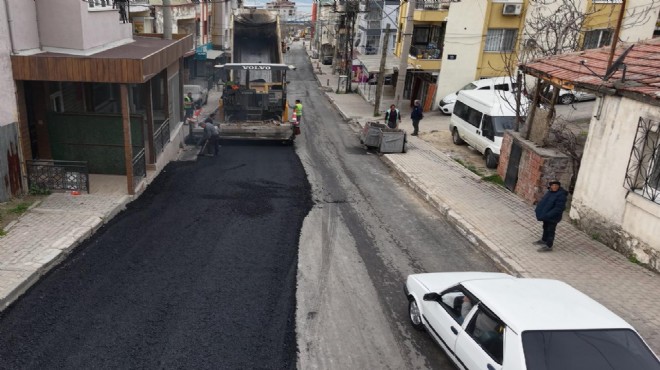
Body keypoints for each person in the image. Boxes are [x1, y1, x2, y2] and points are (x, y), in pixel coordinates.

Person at [534, 180, 568, 252]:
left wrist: (549, 214)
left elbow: (559, 208)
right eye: (553, 185)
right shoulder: (549, 192)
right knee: (545, 227)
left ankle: (549, 246)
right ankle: (544, 240)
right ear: (550, 186)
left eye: (556, 185)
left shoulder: (561, 195)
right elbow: (543, 202)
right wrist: (538, 209)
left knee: (551, 230)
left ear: (559, 186)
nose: (554, 187)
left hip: (553, 217)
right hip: (546, 215)